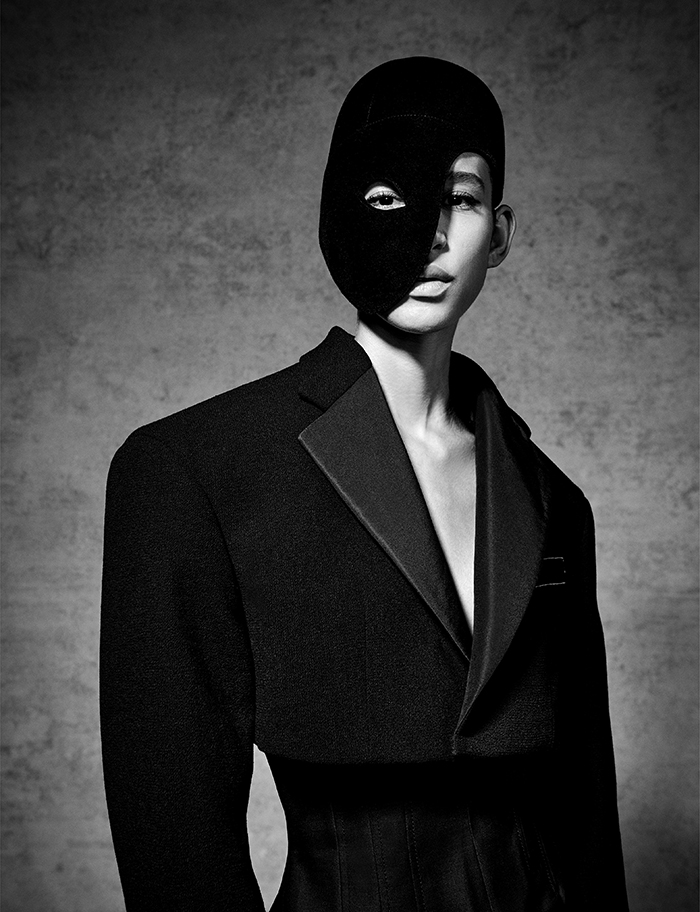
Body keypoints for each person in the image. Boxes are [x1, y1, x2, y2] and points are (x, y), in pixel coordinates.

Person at [100, 56, 629, 911]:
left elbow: (586, 814)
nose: (429, 235)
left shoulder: (552, 499)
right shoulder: (191, 471)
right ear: (338, 218)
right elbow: (175, 837)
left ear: (499, 233)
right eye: (390, 198)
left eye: (458, 200)